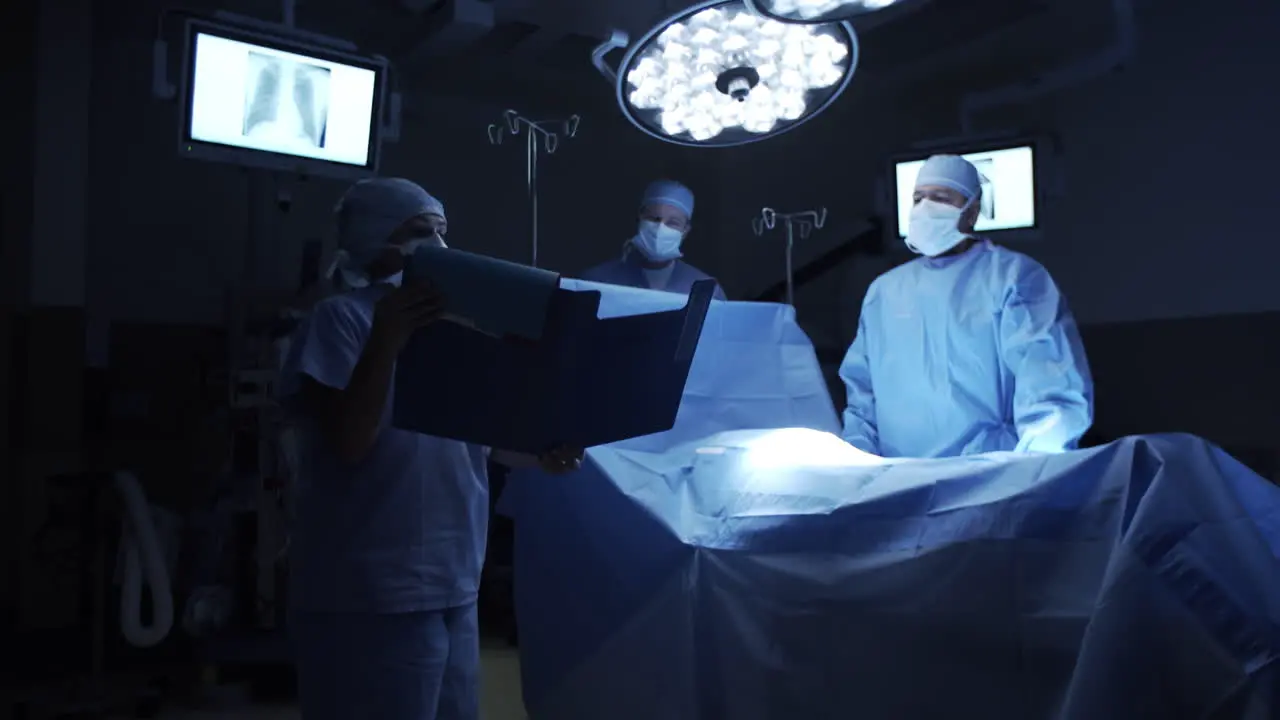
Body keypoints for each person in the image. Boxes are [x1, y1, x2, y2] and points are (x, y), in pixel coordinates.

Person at [279, 177, 583, 720]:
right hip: (371, 588)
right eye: (420, 234)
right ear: (375, 239)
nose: (439, 250)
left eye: (443, 234)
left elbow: (475, 438)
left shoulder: (449, 331)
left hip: (454, 575)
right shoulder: (341, 320)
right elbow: (349, 441)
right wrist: (387, 338)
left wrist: (541, 450)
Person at [839, 155, 1093, 458]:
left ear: (971, 210)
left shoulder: (1013, 277)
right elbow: (862, 396)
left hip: (986, 477)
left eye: (941, 198)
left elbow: (1050, 388)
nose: (925, 208)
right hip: (898, 477)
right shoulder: (884, 291)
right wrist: (859, 464)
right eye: (918, 198)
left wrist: (1033, 474)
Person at [581, 179, 727, 299]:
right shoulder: (596, 281)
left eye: (673, 223)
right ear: (639, 219)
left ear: (685, 231)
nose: (660, 228)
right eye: (653, 218)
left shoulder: (707, 290)